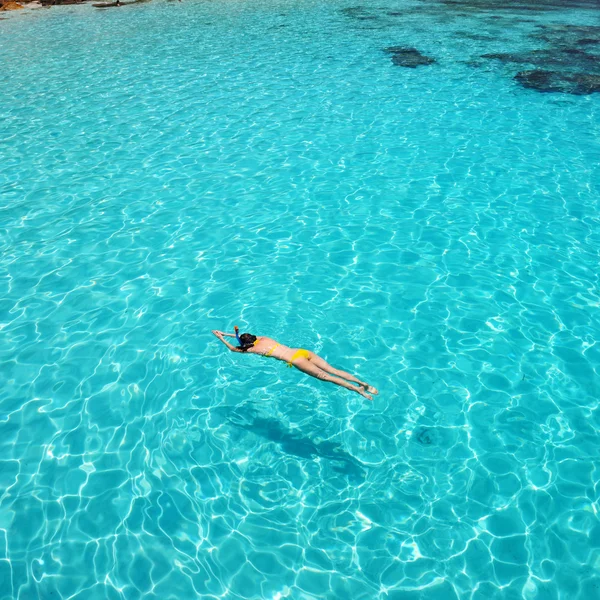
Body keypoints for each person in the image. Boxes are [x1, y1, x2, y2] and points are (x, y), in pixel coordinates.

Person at [212, 326, 378, 400]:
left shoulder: (252, 350)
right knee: (332, 369)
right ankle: (364, 383)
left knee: (327, 377)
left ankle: (359, 391)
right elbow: (241, 338)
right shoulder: (263, 338)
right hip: (301, 351)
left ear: (246, 344)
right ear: (253, 337)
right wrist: (227, 333)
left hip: (295, 360)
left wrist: (221, 338)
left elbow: (234, 349)